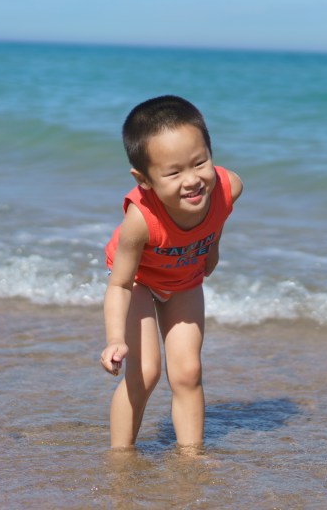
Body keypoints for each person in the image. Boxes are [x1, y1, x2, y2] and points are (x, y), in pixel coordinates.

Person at [99, 95, 243, 451]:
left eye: (200, 162)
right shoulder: (140, 221)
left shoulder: (229, 186)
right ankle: (121, 455)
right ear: (144, 179)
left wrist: (212, 248)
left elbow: (219, 214)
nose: (192, 180)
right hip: (138, 281)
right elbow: (119, 284)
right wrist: (115, 339)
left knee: (188, 372)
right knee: (145, 373)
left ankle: (191, 456)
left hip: (183, 279)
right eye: (174, 172)